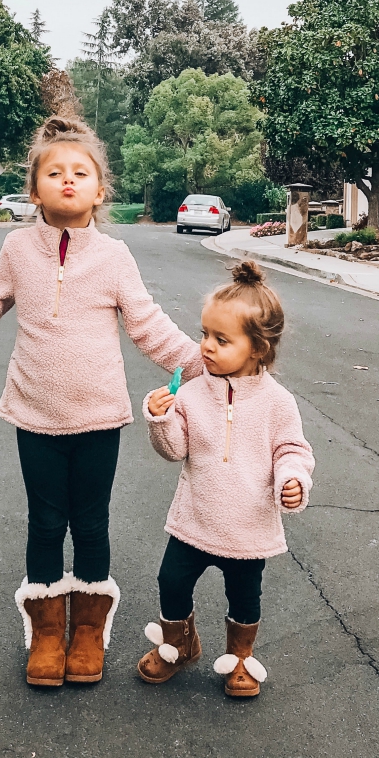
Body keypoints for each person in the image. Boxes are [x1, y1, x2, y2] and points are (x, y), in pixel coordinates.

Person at [0, 116, 202, 688]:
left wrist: (205, 363)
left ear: (99, 190)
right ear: (35, 187)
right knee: (45, 523)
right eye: (53, 172)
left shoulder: (114, 257)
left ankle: (88, 632)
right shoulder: (19, 248)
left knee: (91, 524)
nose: (67, 180)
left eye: (80, 172)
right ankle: (46, 633)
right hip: (34, 414)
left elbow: (149, 327)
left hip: (99, 417)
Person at [137, 260, 314, 698]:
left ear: (257, 348)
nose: (206, 347)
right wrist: (162, 419)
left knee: (245, 596)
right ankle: (178, 643)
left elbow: (293, 451)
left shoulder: (277, 403)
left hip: (248, 528)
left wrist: (292, 479)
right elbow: (174, 450)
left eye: (221, 339)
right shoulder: (193, 393)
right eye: (204, 334)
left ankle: (239, 660)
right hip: (195, 519)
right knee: (171, 581)